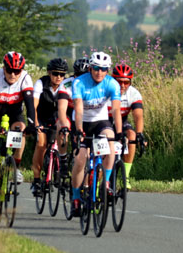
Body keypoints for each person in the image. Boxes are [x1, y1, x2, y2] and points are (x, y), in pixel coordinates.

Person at [70, 51, 122, 218]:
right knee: (80, 158)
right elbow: (78, 108)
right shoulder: (79, 82)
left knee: (111, 144)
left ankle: (105, 183)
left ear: (107, 70)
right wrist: (78, 130)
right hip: (82, 122)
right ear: (91, 68)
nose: (100, 72)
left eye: (104, 69)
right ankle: (76, 199)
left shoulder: (112, 84)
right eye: (96, 68)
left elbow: (115, 109)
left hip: (100, 122)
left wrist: (119, 132)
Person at [0, 51, 36, 200]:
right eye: (9, 70)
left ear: (21, 71)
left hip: (15, 113)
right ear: (4, 68)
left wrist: (32, 123)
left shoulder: (25, 78)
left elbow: (29, 104)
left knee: (22, 130)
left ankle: (16, 166)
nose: (13, 74)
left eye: (17, 71)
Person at [30, 58, 69, 197]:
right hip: (41, 118)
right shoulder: (41, 83)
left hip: (56, 120)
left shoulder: (66, 86)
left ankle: (59, 170)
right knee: (41, 145)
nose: (58, 77)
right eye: (55, 73)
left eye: (62, 74)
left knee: (62, 141)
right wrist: (35, 123)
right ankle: (36, 180)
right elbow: (33, 106)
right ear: (49, 72)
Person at [109, 63, 147, 188]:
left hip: (123, 121)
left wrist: (140, 133)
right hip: (105, 121)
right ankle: (97, 184)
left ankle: (126, 176)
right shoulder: (105, 90)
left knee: (132, 135)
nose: (123, 85)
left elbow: (138, 115)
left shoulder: (133, 93)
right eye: (119, 82)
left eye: (126, 82)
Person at [56, 57, 91, 175]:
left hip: (83, 114)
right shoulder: (67, 84)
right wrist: (64, 125)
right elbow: (61, 108)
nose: (80, 78)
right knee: (61, 126)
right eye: (78, 74)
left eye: (84, 75)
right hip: (68, 111)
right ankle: (63, 159)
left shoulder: (93, 84)